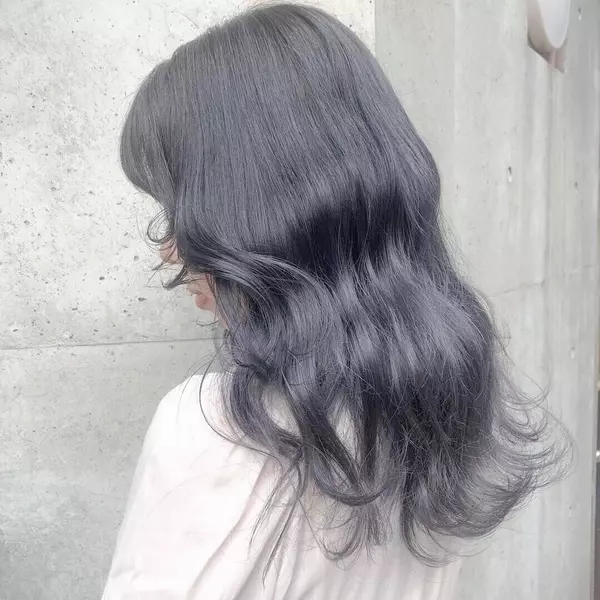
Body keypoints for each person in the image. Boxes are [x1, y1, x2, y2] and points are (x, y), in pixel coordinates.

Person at [102, 4, 566, 599]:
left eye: (183, 210)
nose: (169, 248)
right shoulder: (440, 399)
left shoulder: (213, 429)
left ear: (253, 215)